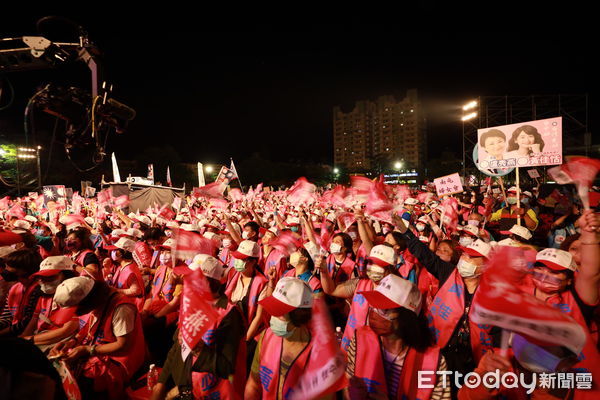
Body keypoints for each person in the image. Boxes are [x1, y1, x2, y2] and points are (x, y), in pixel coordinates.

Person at [393, 214, 495, 387]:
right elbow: (425, 255)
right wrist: (406, 232)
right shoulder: (449, 274)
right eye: (463, 255)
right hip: (442, 351)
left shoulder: (493, 294)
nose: (464, 260)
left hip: (475, 361)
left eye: (471, 257)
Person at [151, 255, 246, 400]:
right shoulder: (191, 303)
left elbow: (226, 367)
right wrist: (161, 383)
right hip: (183, 387)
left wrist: (197, 347)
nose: (185, 281)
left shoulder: (229, 315)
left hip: (208, 393)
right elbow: (176, 349)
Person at [346, 274, 451, 399]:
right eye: (373, 306)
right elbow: (347, 383)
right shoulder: (359, 341)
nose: (374, 313)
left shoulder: (435, 362)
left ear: (407, 317)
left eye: (384, 310)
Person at [50, 276, 146, 399]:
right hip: (97, 348)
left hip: (121, 359)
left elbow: (124, 346)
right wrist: (72, 342)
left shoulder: (122, 309)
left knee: (86, 383)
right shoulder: (95, 303)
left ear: (88, 302)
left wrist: (87, 350)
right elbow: (86, 329)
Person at [245, 277, 315, 400]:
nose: (273, 317)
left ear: (298, 317)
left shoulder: (317, 353)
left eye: (279, 313)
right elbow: (254, 383)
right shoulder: (266, 337)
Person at [320, 243, 398, 351]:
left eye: (379, 264)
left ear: (391, 267)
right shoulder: (360, 283)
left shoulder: (398, 291)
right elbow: (331, 290)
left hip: (376, 352)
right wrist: (324, 272)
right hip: (351, 346)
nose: (372, 267)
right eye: (370, 262)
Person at [21, 256, 79, 352]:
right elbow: (33, 321)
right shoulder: (43, 297)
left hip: (59, 344)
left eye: (49, 277)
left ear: (66, 275)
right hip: (38, 339)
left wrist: (28, 340)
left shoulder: (75, 298)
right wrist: (22, 338)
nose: (43, 281)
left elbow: (66, 330)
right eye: (40, 277)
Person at [0, 249, 43, 337]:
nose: (6, 269)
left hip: (28, 335)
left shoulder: (39, 290)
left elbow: (26, 322)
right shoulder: (15, 288)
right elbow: (8, 316)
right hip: (14, 331)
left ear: (24, 270)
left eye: (9, 266)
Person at [104, 237, 146, 312]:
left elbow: (136, 291)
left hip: (129, 307)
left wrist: (116, 290)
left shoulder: (130, 271)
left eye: (115, 250)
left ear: (122, 253)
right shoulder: (121, 266)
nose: (112, 252)